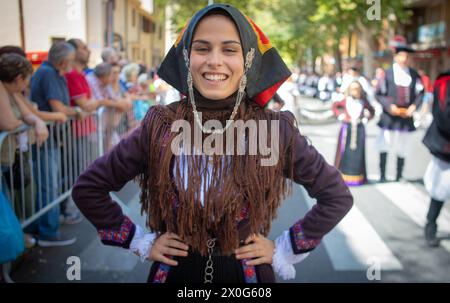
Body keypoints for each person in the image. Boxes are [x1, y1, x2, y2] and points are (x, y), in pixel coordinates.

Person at [71, 4, 353, 283]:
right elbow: (89, 188)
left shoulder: (274, 129)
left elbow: (336, 196)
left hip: (247, 276)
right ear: (186, 57)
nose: (214, 61)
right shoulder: (160, 125)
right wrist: (141, 242)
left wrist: (284, 248)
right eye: (202, 48)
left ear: (248, 59)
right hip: (175, 273)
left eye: (229, 50)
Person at [28, 42, 81, 247]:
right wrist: (76, 112)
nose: (72, 64)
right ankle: (48, 232)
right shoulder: (48, 73)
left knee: (51, 183)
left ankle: (49, 226)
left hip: (51, 139)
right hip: (46, 140)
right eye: (71, 60)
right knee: (48, 185)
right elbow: (58, 107)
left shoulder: (51, 72)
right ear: (64, 60)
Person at [375, 37, 424, 182]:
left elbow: (420, 93)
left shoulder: (414, 75)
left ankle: (398, 175)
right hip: (390, 115)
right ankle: (382, 175)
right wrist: (390, 106)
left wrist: (414, 106)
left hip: (406, 116)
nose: (404, 59)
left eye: (407, 56)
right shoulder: (387, 74)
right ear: (396, 57)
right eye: (401, 55)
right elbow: (379, 93)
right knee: (385, 143)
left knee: (403, 145)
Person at [422, 70, 450, 247]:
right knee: (441, 188)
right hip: (446, 143)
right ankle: (430, 225)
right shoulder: (445, 82)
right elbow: (444, 116)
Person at [332, 81, 375, 186]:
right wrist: (341, 116)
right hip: (347, 128)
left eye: (357, 88)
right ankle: (341, 176)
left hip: (359, 129)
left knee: (358, 154)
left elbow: (372, 111)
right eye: (352, 88)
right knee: (344, 153)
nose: (354, 91)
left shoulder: (364, 101)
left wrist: (366, 118)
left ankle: (358, 177)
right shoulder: (345, 100)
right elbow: (334, 107)